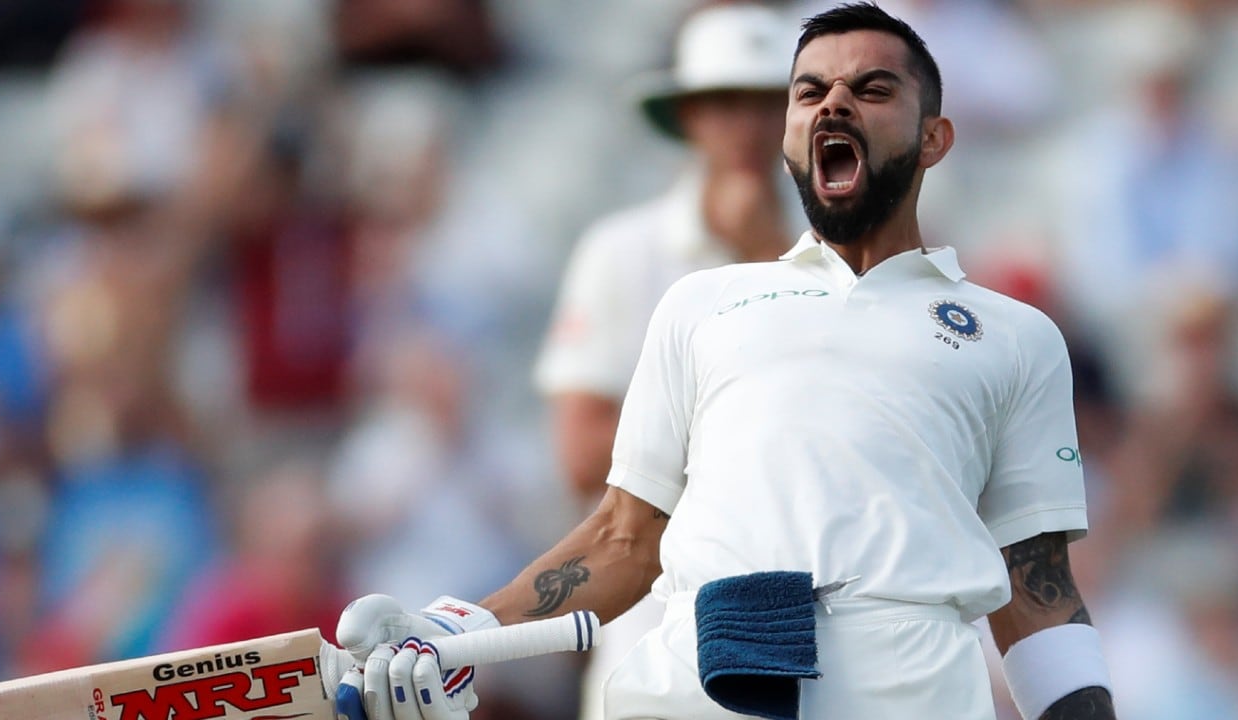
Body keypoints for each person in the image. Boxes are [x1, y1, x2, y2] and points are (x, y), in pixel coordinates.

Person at [336, 4, 1115, 719]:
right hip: (691, 692)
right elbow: (623, 538)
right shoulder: (698, 305)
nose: (834, 104)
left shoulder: (1013, 335)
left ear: (936, 137)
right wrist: (456, 629)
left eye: (871, 88)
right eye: (809, 93)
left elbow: (1035, 589)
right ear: (789, 141)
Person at [532, 4, 797, 717]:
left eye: (768, 101)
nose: (746, 124)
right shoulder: (621, 252)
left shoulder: (847, 257)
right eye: (724, 101)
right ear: (690, 117)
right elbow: (582, 455)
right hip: (655, 624)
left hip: (801, 625)